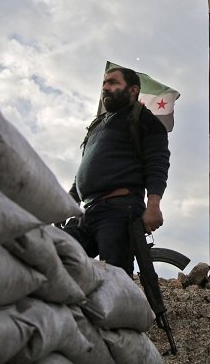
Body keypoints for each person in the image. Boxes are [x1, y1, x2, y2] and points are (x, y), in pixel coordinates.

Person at [62, 66, 170, 276]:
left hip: (119, 210)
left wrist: (154, 204)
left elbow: (157, 163)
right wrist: (68, 201)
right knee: (57, 256)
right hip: (88, 212)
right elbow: (87, 167)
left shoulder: (145, 121)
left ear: (132, 90)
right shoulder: (97, 125)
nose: (105, 88)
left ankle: (130, 310)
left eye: (113, 82)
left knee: (115, 276)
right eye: (104, 83)